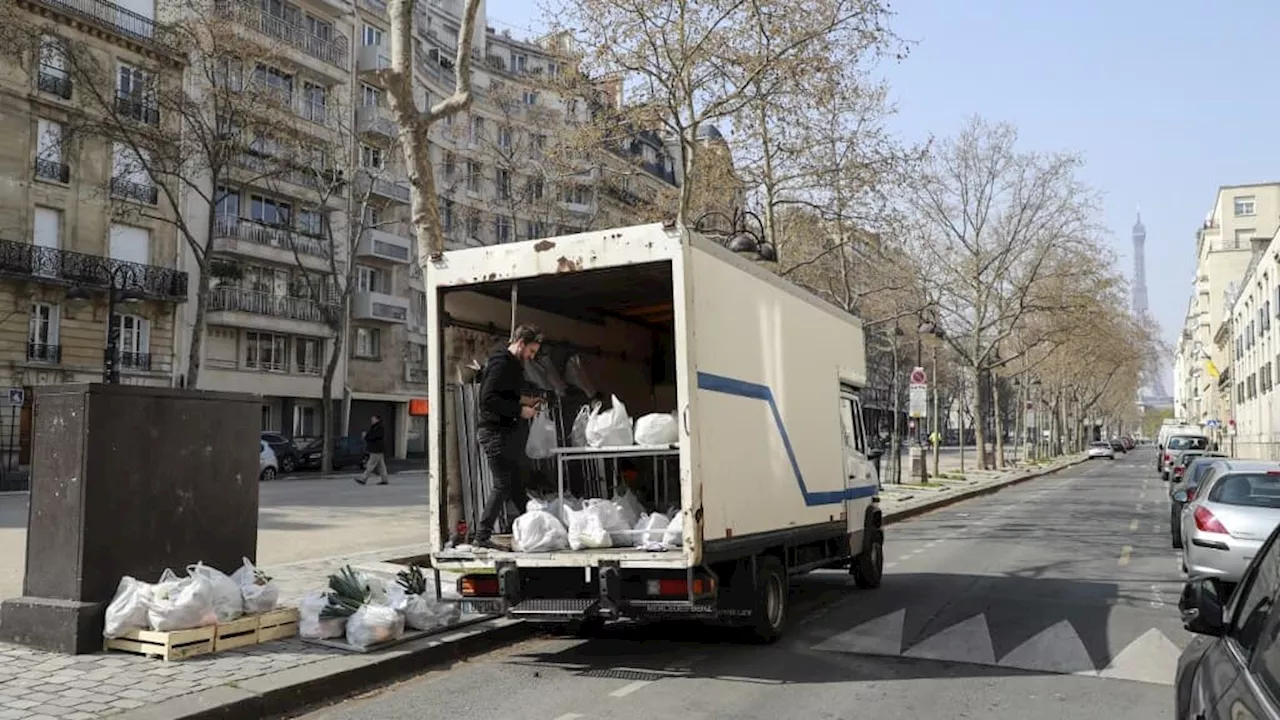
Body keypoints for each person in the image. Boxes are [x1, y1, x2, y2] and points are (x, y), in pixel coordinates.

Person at [473, 324, 544, 549]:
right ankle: (481, 537)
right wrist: (520, 411)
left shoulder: (511, 364)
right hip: (493, 432)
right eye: (531, 352)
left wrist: (527, 402)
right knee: (504, 483)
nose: (531, 357)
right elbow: (488, 399)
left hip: (502, 432)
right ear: (521, 343)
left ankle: (537, 528)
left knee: (515, 483)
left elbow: (505, 395)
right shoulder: (501, 362)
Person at [355, 415, 388, 486]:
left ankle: (363, 478)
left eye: (373, 419)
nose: (372, 420)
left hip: (376, 449)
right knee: (381, 465)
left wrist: (366, 436)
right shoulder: (376, 427)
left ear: (377, 419)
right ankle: (384, 479)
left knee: (371, 464)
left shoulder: (378, 427)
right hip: (377, 448)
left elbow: (374, 436)